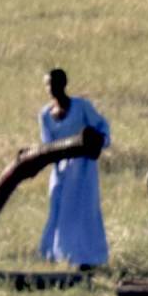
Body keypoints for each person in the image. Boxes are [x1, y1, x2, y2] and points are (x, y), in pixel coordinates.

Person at [38, 68, 111, 269]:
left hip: (84, 170)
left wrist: (99, 142)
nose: (51, 89)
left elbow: (102, 127)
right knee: (59, 210)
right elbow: (47, 144)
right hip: (61, 171)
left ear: (64, 84)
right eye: (48, 85)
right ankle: (59, 254)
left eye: (54, 84)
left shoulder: (81, 106)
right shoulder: (45, 115)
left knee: (84, 212)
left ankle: (88, 258)